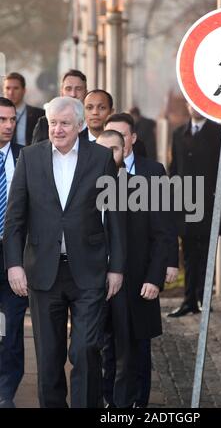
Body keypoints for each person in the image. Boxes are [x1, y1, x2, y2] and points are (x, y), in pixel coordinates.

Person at [3, 96, 126, 408]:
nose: (57, 129)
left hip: (89, 270)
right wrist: (14, 265)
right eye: (53, 123)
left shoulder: (100, 159)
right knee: (48, 357)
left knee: (85, 349)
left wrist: (117, 267)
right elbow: (15, 218)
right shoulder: (30, 158)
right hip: (44, 272)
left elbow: (114, 216)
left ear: (80, 126)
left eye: (65, 124)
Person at [103, 113, 178, 407]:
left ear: (132, 139)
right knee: (108, 346)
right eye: (110, 137)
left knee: (138, 345)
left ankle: (137, 402)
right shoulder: (93, 173)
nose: (115, 143)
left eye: (121, 137)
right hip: (103, 278)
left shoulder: (151, 172)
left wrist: (158, 272)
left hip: (139, 273)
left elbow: (164, 227)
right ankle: (110, 401)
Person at [168, 103, 221, 318]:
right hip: (185, 203)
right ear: (186, 105)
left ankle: (204, 299)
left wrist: (214, 192)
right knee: (188, 253)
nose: (194, 108)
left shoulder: (219, 132)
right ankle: (188, 301)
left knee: (206, 252)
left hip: (208, 202)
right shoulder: (179, 133)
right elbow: (174, 167)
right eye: (190, 103)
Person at [0, 97, 25, 408]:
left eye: (11, 120)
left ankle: (6, 392)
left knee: (13, 330)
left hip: (15, 257)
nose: (7, 125)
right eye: (1, 119)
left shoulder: (27, 157)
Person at [31, 69, 88, 144]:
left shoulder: (91, 122)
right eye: (68, 88)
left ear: (86, 92)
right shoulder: (45, 123)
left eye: (78, 89)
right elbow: (36, 152)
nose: (73, 94)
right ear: (61, 92)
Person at [2, 72, 44, 145]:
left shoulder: (40, 115)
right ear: (3, 90)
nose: (11, 92)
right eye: (8, 88)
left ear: (24, 91)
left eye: (16, 88)